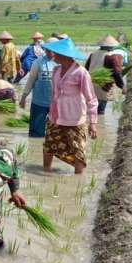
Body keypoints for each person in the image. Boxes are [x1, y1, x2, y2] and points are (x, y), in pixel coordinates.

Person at [41, 37, 98, 175]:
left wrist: (93, 123)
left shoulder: (81, 73)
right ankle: (46, 172)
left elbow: (91, 99)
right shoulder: (56, 70)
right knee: (48, 146)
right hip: (55, 117)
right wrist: (50, 113)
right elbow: (54, 95)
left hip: (75, 119)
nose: (53, 55)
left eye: (56, 53)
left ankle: (79, 179)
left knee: (78, 150)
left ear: (64, 55)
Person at [20, 38, 58, 138]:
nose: (49, 52)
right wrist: (23, 97)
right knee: (36, 133)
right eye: (47, 49)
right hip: (39, 102)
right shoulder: (38, 62)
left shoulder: (62, 63)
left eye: (52, 49)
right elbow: (31, 80)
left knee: (56, 134)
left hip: (57, 103)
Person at [85, 35, 125, 115]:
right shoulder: (111, 56)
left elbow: (86, 68)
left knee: (91, 109)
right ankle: (100, 122)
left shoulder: (93, 54)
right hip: (103, 86)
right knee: (100, 111)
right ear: (112, 47)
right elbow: (116, 73)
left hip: (89, 85)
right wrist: (122, 86)